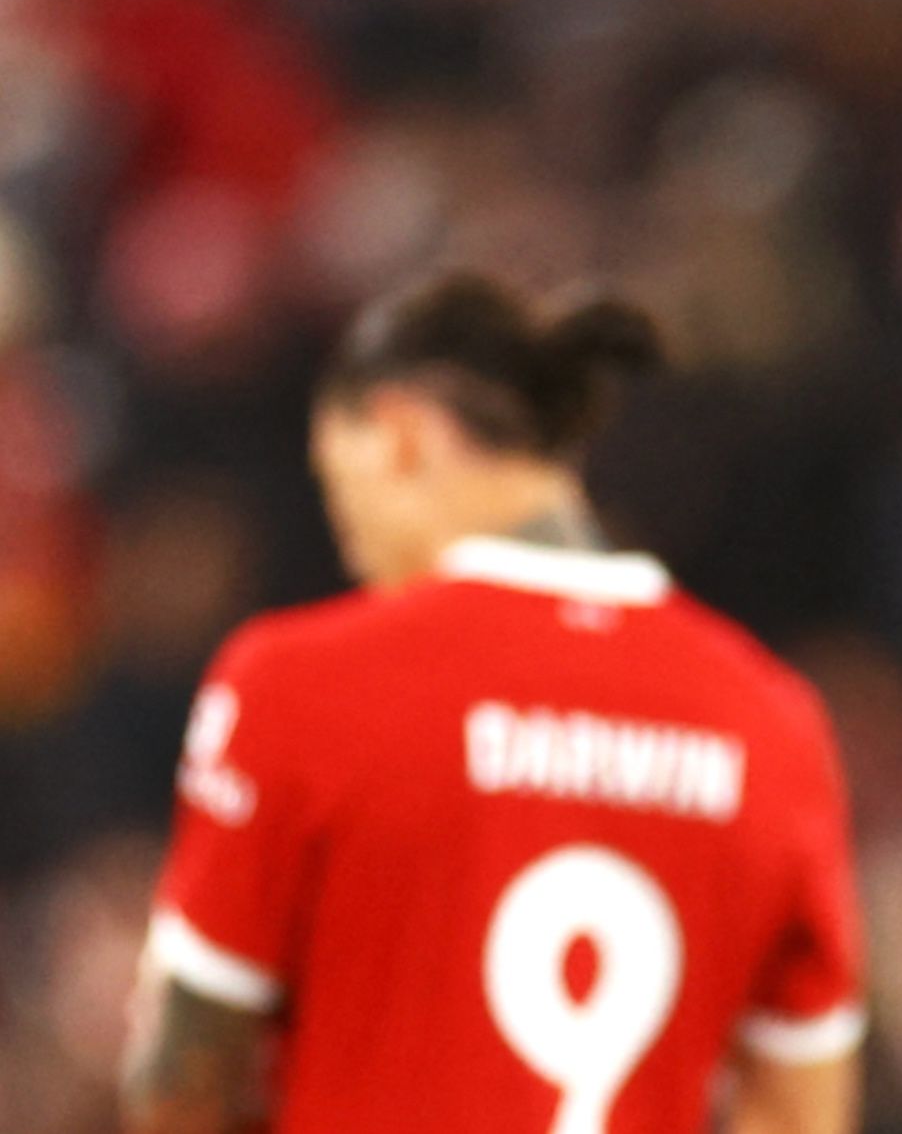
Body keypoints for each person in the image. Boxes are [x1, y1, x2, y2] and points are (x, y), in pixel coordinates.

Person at [122, 275, 864, 1134]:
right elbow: (800, 1110)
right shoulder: (771, 717)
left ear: (399, 436)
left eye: (341, 495)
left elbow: (182, 1082)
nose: (358, 554)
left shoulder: (295, 680)